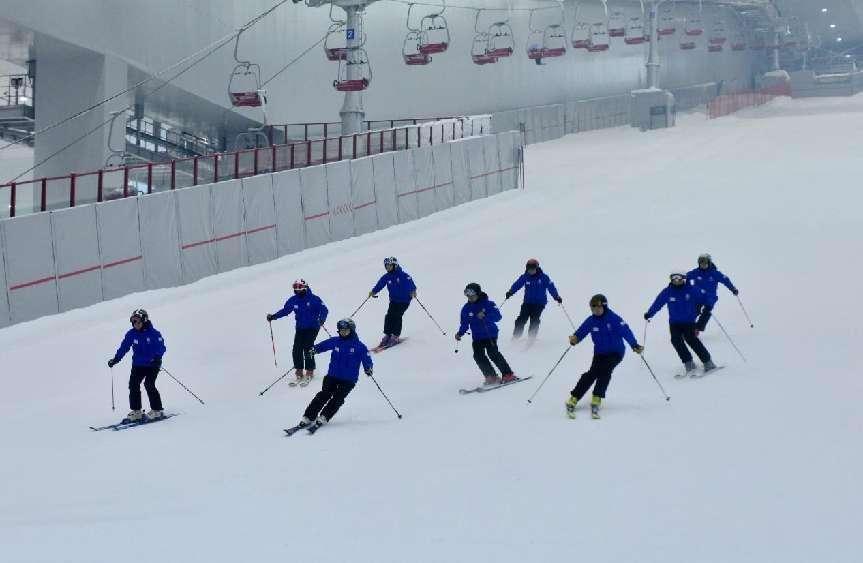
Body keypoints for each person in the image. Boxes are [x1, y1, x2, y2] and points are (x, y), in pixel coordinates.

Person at [566, 294, 643, 419]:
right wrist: (575, 338)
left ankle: (597, 398)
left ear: (604, 307)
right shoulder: (591, 321)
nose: (595, 310)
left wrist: (634, 345)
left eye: (598, 308)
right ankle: (574, 397)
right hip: (600, 353)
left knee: (605, 371)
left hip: (616, 352)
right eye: (593, 308)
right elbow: (581, 331)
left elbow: (626, 331)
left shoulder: (614, 319)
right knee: (592, 373)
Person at [295, 318, 373, 429]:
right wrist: (314, 350)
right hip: (332, 376)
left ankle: (324, 416)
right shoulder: (336, 341)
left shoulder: (359, 346)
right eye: (341, 330)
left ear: (351, 330)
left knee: (338, 398)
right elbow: (323, 346)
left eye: (346, 330)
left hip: (348, 380)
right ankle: (308, 416)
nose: (343, 333)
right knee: (323, 395)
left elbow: (367, 358)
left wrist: (368, 368)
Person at [644, 272, 717, 376]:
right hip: (674, 323)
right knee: (676, 341)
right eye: (674, 278)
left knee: (691, 340)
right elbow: (658, 303)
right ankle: (689, 364)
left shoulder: (691, 289)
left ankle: (708, 363)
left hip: (689, 322)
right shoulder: (667, 292)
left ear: (683, 279)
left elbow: (706, 296)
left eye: (679, 278)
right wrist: (649, 313)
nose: (677, 280)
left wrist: (709, 304)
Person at [107, 309, 167, 422]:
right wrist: (116, 359)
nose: (136, 324)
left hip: (152, 363)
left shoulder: (154, 334)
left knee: (149, 384)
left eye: (138, 321)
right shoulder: (131, 334)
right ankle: (137, 411)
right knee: (133, 385)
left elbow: (161, 347)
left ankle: (157, 410)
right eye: (133, 322)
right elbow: (124, 347)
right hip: (138, 364)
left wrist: (157, 357)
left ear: (144, 320)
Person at [267, 279, 329, 385]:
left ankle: (309, 371)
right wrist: (274, 316)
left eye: (299, 287)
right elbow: (285, 310)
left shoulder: (314, 299)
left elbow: (324, 309)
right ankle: (299, 371)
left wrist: (322, 319)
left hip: (313, 327)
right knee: (296, 348)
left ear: (305, 287)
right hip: (300, 328)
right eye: (295, 287)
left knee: (308, 346)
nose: (297, 289)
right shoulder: (293, 300)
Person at [455, 283, 517, 386]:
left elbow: (498, 317)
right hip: (477, 336)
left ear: (478, 294)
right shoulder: (466, 309)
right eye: (468, 295)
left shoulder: (488, 304)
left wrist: (485, 315)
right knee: (478, 356)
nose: (470, 297)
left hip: (490, 334)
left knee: (493, 353)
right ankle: (491, 376)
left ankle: (508, 374)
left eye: (472, 295)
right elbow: (464, 323)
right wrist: (460, 333)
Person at [505, 258, 562, 339]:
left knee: (534, 320)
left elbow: (551, 287)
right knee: (521, 319)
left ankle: (531, 338)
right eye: (529, 270)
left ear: (537, 268)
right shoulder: (525, 277)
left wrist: (556, 297)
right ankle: (516, 336)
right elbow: (517, 284)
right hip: (527, 302)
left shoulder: (544, 277)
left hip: (539, 303)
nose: (531, 271)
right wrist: (510, 292)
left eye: (533, 269)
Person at [369, 257, 416, 348]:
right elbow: (380, 284)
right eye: (386, 266)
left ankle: (395, 336)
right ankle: (388, 335)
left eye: (390, 266)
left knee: (397, 316)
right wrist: (374, 291)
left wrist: (413, 291)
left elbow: (411, 284)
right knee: (389, 316)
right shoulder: (387, 276)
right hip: (394, 300)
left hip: (404, 301)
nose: (388, 268)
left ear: (395, 265)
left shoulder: (403, 275)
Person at [687, 253, 738, 332]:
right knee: (694, 311)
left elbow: (725, 280)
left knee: (706, 311)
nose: (703, 266)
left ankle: (697, 328)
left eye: (705, 264)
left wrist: (733, 289)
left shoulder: (715, 273)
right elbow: (685, 277)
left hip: (710, 297)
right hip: (697, 296)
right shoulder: (695, 272)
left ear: (709, 263)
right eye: (701, 264)